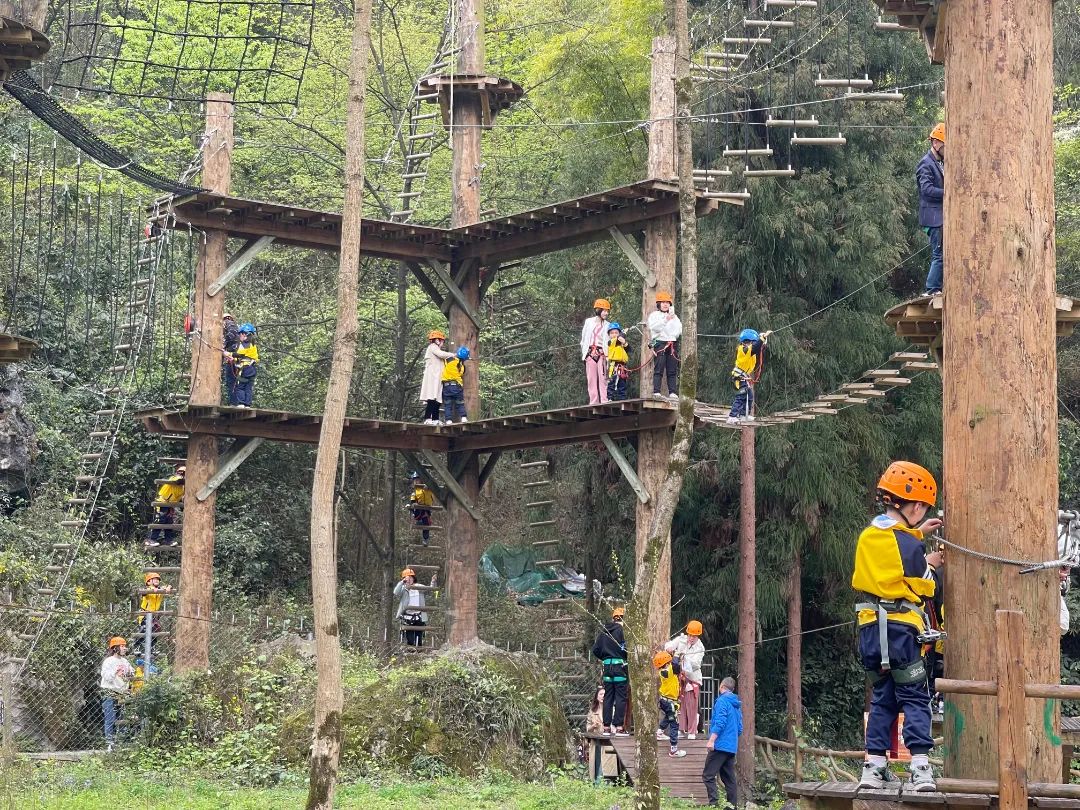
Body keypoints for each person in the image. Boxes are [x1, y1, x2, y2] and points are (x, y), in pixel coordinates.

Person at [853, 460, 942, 792]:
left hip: (870, 633)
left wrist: (920, 534)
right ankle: (920, 767)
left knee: (883, 697)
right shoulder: (910, 546)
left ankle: (873, 767)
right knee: (916, 697)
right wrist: (929, 563)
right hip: (902, 632)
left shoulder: (868, 535)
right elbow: (924, 587)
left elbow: (891, 548)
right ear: (916, 505)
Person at [703, 676, 743, 807]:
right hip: (731, 747)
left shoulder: (722, 701)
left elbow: (720, 722)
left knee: (708, 775)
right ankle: (732, 807)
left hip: (720, 745)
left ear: (721, 686)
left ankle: (713, 805)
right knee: (729, 779)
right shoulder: (736, 704)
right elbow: (740, 728)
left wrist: (712, 740)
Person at [591, 606, 629, 737]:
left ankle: (606, 727)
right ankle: (618, 727)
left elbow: (595, 650)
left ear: (613, 618)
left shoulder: (604, 632)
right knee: (620, 697)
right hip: (620, 667)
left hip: (607, 667)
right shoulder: (623, 632)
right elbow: (628, 649)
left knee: (608, 697)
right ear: (623, 619)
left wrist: (605, 657)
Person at [664, 620, 705, 738]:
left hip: (692, 679)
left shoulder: (700, 647)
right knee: (680, 705)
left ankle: (692, 731)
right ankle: (681, 729)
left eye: (694, 636)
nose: (691, 638)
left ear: (698, 636)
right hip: (679, 678)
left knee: (691, 706)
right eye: (690, 635)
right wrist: (670, 649)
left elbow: (696, 664)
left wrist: (683, 658)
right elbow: (669, 645)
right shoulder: (681, 640)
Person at [918, 123, 945, 295]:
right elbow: (926, 190)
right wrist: (947, 193)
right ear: (936, 143)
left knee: (942, 253)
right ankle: (932, 288)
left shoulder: (939, 163)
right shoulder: (926, 164)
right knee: (939, 254)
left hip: (939, 216)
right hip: (933, 217)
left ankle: (937, 287)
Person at [727, 328, 770, 424]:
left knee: (750, 396)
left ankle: (743, 415)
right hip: (739, 376)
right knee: (741, 395)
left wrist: (763, 340)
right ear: (747, 342)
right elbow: (755, 347)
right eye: (752, 342)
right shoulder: (744, 350)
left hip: (743, 377)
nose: (753, 344)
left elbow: (759, 348)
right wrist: (762, 337)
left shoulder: (750, 350)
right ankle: (732, 416)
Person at [100, 636, 134, 751]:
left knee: (123, 717)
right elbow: (107, 677)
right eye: (122, 646)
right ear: (115, 648)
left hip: (122, 692)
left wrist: (130, 673)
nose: (125, 648)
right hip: (109, 691)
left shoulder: (125, 661)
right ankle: (110, 743)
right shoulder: (108, 661)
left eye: (125, 646)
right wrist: (116, 671)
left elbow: (131, 674)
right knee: (110, 718)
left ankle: (122, 741)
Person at [647, 291, 682, 401]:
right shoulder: (654, 315)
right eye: (663, 302)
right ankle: (656, 391)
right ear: (659, 304)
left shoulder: (674, 317)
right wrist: (665, 320)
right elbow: (654, 328)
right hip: (660, 343)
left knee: (672, 369)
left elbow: (678, 330)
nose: (665, 304)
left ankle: (672, 392)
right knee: (659, 368)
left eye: (667, 302)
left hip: (672, 343)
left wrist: (671, 320)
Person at [653, 651, 687, 758]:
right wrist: (676, 655)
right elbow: (676, 665)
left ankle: (659, 732)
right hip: (670, 702)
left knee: (668, 716)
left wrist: (677, 657)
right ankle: (674, 750)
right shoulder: (669, 670)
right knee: (674, 724)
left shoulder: (663, 671)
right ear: (667, 663)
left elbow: (676, 666)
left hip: (665, 701)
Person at [420, 329, 456, 425]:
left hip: (438, 377)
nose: (442, 343)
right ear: (437, 340)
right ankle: (428, 418)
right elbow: (441, 354)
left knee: (437, 398)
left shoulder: (436, 349)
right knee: (432, 397)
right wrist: (453, 355)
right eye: (442, 341)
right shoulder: (433, 347)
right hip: (432, 377)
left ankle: (435, 419)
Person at [394, 567, 436, 646]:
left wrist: (433, 582)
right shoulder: (403, 589)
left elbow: (430, 589)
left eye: (410, 577)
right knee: (410, 639)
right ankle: (411, 653)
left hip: (418, 616)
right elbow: (396, 592)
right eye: (407, 578)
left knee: (418, 637)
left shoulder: (418, 586)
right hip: (407, 617)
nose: (409, 579)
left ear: (413, 578)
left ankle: (419, 653)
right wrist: (402, 582)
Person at [581, 298, 610, 405]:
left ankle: (604, 400)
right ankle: (593, 401)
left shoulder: (608, 325)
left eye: (607, 311)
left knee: (603, 378)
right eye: (604, 310)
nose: (606, 313)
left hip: (602, 353)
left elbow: (609, 341)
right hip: (590, 352)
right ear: (598, 310)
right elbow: (584, 338)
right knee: (591, 379)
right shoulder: (589, 322)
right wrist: (585, 353)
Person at [146, 465, 184, 547]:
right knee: (160, 520)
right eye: (181, 473)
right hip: (162, 502)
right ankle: (151, 539)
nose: (181, 475)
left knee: (169, 522)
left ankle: (168, 540)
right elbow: (178, 480)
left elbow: (180, 497)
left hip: (170, 505)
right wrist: (182, 478)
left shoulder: (183, 487)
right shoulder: (173, 479)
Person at [224, 322, 259, 407]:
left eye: (240, 335)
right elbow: (245, 357)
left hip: (245, 369)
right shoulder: (253, 344)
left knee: (240, 386)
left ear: (245, 334)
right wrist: (234, 359)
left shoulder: (245, 344)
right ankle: (247, 404)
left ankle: (241, 403)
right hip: (252, 368)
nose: (239, 337)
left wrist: (228, 354)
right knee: (248, 387)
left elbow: (240, 354)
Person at [138, 572, 174, 640]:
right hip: (145, 615)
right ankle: (137, 645)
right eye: (153, 579)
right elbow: (143, 593)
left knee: (154, 636)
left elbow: (169, 586)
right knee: (145, 633)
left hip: (154, 616)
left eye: (157, 579)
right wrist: (151, 590)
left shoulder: (161, 589)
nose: (156, 580)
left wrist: (169, 587)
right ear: (148, 582)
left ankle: (151, 649)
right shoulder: (147, 589)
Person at [441, 346, 469, 424]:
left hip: (446, 386)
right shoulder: (462, 366)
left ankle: (448, 420)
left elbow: (444, 358)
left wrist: (454, 355)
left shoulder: (448, 360)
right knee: (460, 403)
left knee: (448, 404)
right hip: (457, 386)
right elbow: (461, 373)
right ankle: (463, 417)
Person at [408, 472, 435, 545]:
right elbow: (413, 500)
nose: (416, 481)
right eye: (415, 480)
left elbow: (433, 485)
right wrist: (413, 504)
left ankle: (425, 539)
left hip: (426, 508)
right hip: (419, 508)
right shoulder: (415, 491)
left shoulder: (427, 487)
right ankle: (418, 520)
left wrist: (429, 486)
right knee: (415, 509)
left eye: (417, 479)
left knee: (426, 524)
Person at [606, 323, 630, 402]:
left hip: (622, 366)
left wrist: (625, 343)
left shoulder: (621, 344)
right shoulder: (611, 342)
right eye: (612, 333)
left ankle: (622, 398)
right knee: (612, 382)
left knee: (622, 383)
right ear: (609, 335)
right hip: (614, 365)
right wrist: (624, 333)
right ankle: (610, 398)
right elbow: (620, 338)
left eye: (616, 333)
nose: (614, 334)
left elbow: (629, 349)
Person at [223, 313, 241, 400]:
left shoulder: (230, 324)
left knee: (231, 381)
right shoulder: (233, 326)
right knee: (232, 381)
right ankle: (236, 402)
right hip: (233, 358)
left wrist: (222, 344)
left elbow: (231, 334)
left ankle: (235, 403)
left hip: (232, 359)